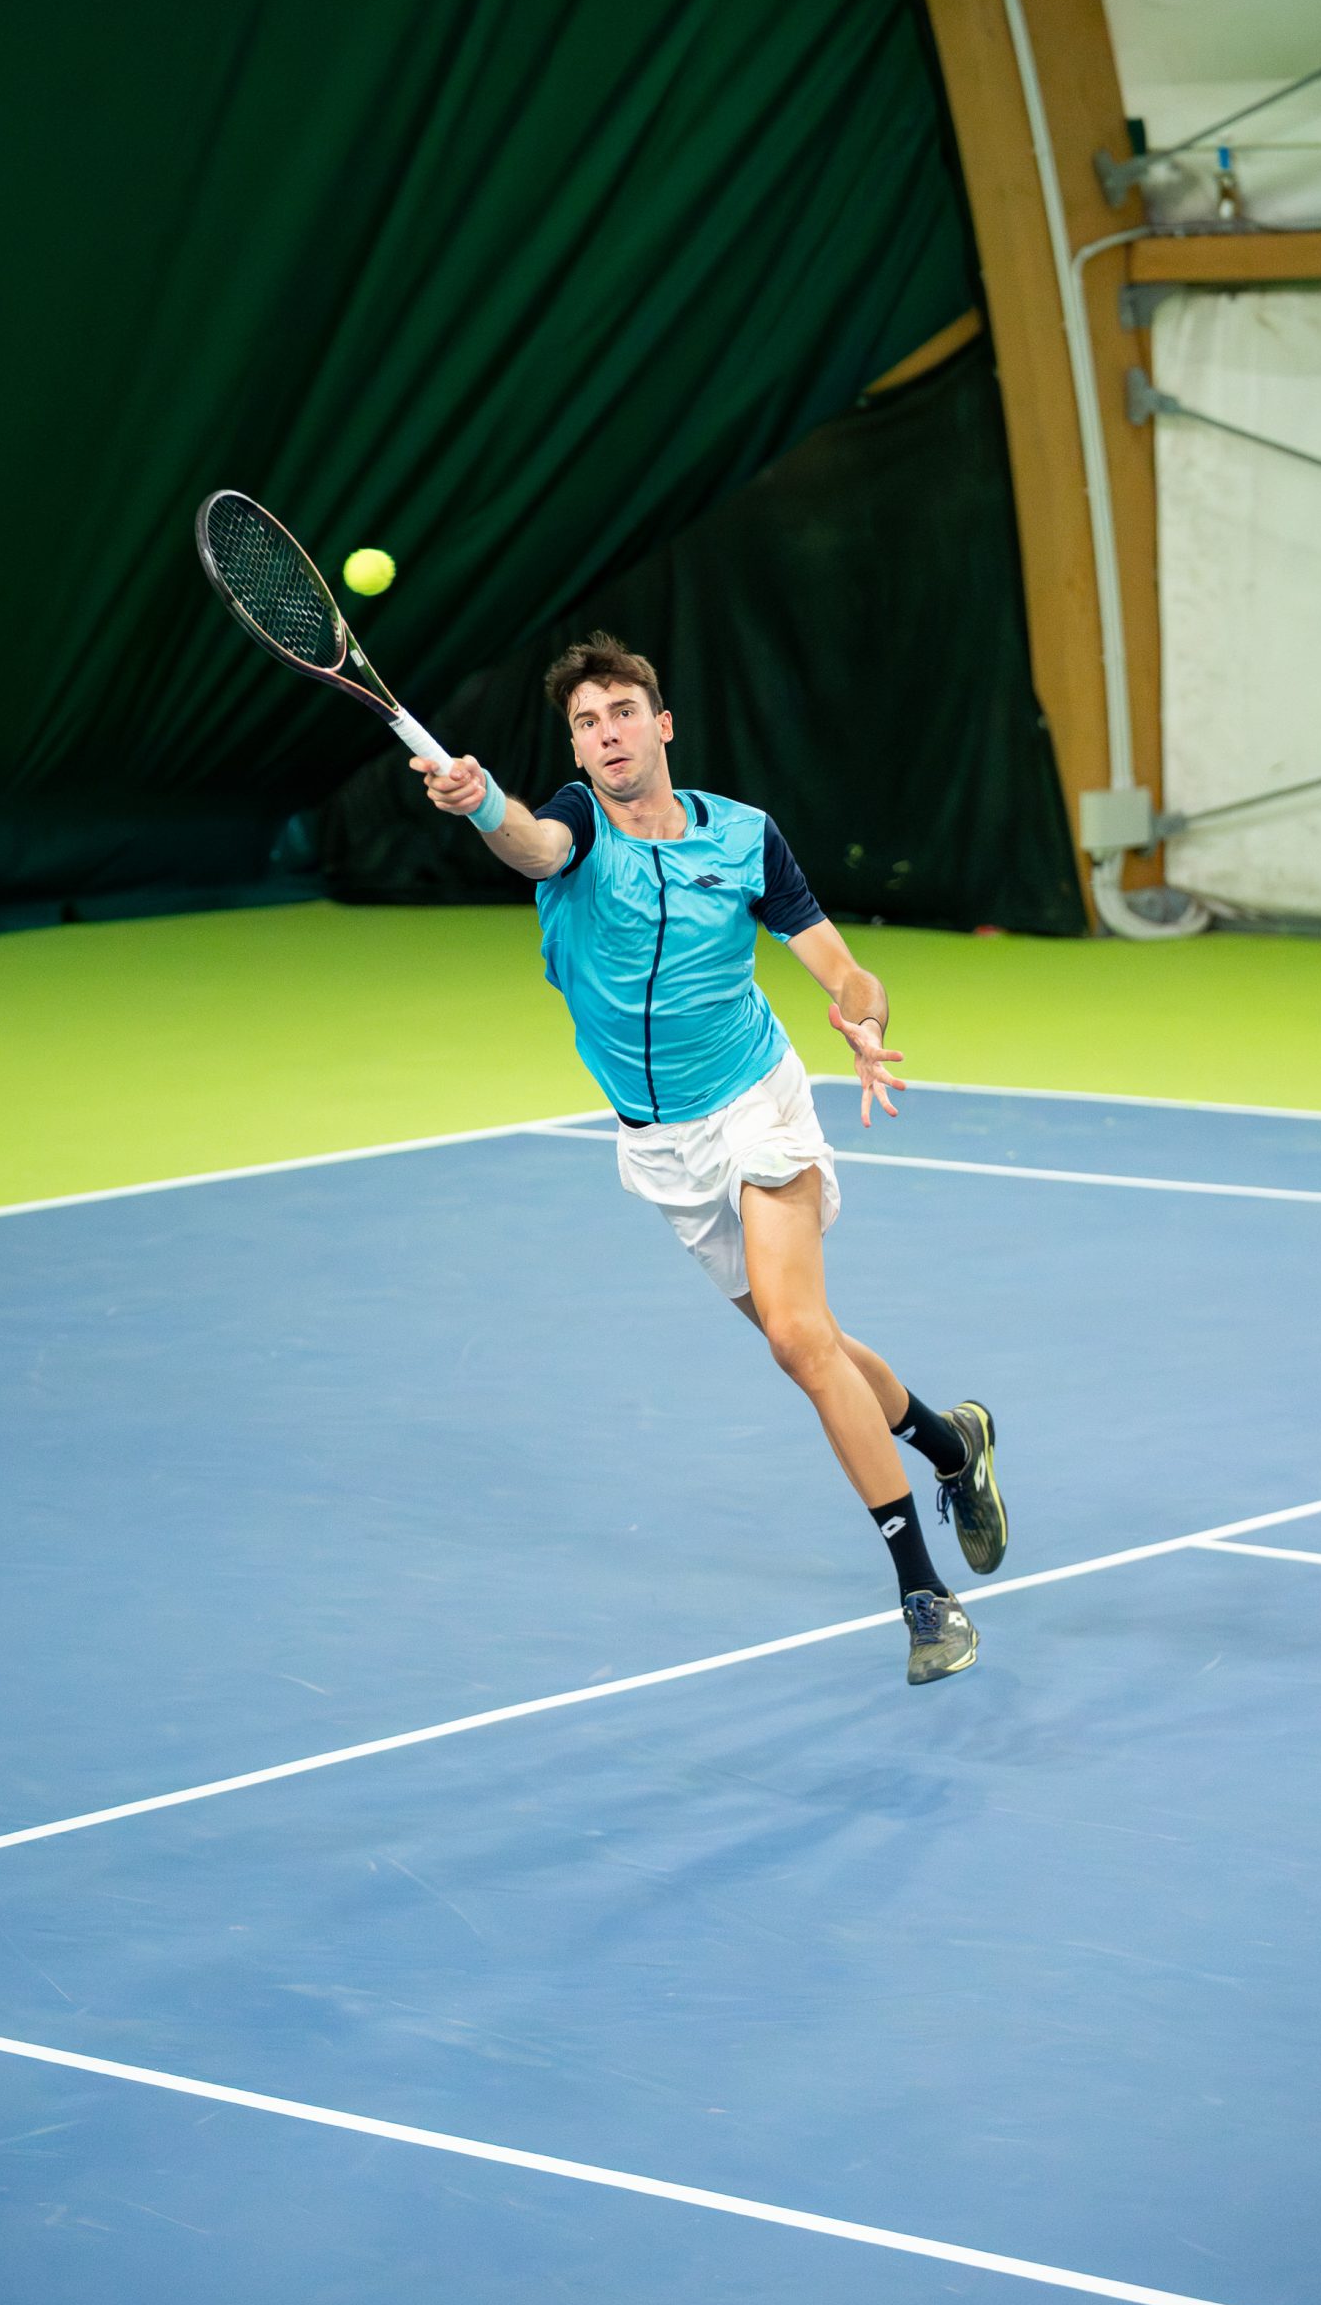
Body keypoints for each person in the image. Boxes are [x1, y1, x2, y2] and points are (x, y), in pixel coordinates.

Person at [414, 632, 1007, 1685]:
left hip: (754, 1100)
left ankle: (925, 1595)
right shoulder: (575, 827)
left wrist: (863, 1019)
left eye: (622, 712)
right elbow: (532, 847)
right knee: (809, 1338)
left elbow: (841, 967)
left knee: (796, 1341)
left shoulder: (742, 837)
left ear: (662, 723)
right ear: (575, 747)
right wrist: (480, 801)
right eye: (586, 723)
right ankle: (951, 1445)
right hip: (661, 1142)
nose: (607, 734)